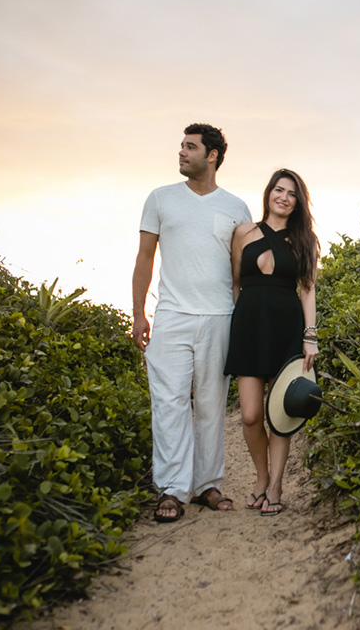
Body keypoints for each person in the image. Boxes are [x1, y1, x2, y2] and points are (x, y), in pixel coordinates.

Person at [132, 123, 252, 523]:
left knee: (211, 403)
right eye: (181, 146)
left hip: (220, 316)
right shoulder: (160, 199)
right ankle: (171, 489)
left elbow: (240, 273)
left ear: (212, 156)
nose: (182, 152)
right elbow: (144, 258)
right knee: (169, 401)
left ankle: (206, 485)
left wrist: (243, 321)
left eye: (190, 147)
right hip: (172, 315)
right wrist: (138, 314)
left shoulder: (236, 207)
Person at [224, 168, 319, 516]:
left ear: (298, 202)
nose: (284, 197)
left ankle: (276, 486)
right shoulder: (243, 233)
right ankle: (261, 477)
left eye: (291, 193)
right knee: (250, 416)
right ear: (268, 193)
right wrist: (240, 320)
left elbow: (307, 290)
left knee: (280, 414)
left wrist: (310, 337)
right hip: (249, 327)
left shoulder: (303, 240)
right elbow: (235, 282)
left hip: (286, 329)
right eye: (279, 190)